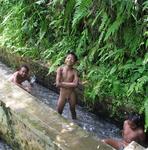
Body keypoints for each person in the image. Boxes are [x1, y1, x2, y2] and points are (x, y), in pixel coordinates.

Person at [56, 52, 79, 119]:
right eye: (68, 58)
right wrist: (71, 84)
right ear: (65, 59)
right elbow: (57, 83)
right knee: (59, 111)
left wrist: (62, 83)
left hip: (72, 94)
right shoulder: (60, 69)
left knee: (73, 110)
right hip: (62, 94)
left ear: (74, 62)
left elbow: (76, 84)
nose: (69, 60)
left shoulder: (75, 71)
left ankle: (75, 124)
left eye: (72, 59)